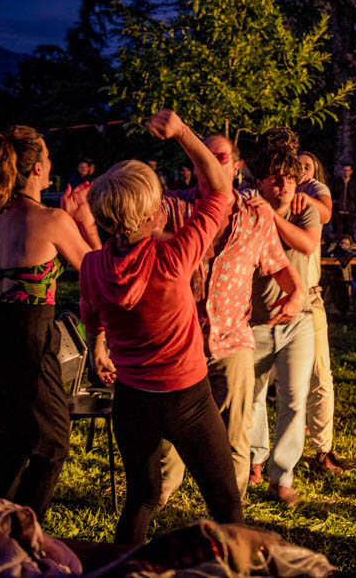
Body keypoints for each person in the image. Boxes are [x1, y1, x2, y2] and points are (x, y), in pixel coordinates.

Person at [82, 110, 246, 545]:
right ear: (153, 212)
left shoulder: (92, 266)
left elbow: (91, 314)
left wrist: (97, 347)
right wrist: (182, 132)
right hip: (187, 400)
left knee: (142, 497)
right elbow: (221, 189)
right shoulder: (173, 259)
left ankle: (121, 569)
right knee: (227, 506)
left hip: (131, 400)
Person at [157, 134, 304, 502]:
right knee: (168, 432)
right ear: (194, 165)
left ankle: (229, 510)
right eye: (203, 156)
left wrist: (297, 294)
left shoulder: (254, 215)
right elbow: (137, 235)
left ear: (237, 168)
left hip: (233, 340)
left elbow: (280, 265)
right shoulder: (172, 206)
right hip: (179, 340)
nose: (210, 163)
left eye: (219, 157)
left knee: (236, 434)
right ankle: (159, 495)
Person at [0, 124, 101, 523]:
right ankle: (21, 532)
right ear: (37, 169)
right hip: (28, 333)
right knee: (52, 443)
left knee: (7, 441)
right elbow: (98, 272)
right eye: (46, 156)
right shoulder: (52, 219)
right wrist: (84, 220)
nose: (51, 161)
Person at [243, 127, 320, 507]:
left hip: (298, 321)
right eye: (276, 178)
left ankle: (282, 477)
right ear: (261, 182)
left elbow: (306, 244)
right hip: (255, 320)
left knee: (293, 399)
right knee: (253, 397)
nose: (285, 184)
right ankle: (254, 461)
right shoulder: (247, 211)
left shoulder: (305, 210)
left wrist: (271, 217)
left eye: (290, 177)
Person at [293, 151, 346, 475]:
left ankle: (323, 450)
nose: (301, 169)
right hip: (274, 298)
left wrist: (305, 197)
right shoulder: (274, 192)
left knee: (320, 375)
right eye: (297, 164)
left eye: (307, 166)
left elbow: (326, 212)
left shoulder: (315, 191)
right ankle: (258, 458)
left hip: (309, 298)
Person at [331, 163, 356, 238]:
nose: (346, 172)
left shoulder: (354, 183)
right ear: (341, 171)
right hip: (338, 212)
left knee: (348, 234)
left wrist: (355, 210)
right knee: (338, 233)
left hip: (350, 212)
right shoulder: (336, 182)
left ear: (351, 172)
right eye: (344, 170)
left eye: (348, 170)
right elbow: (332, 195)